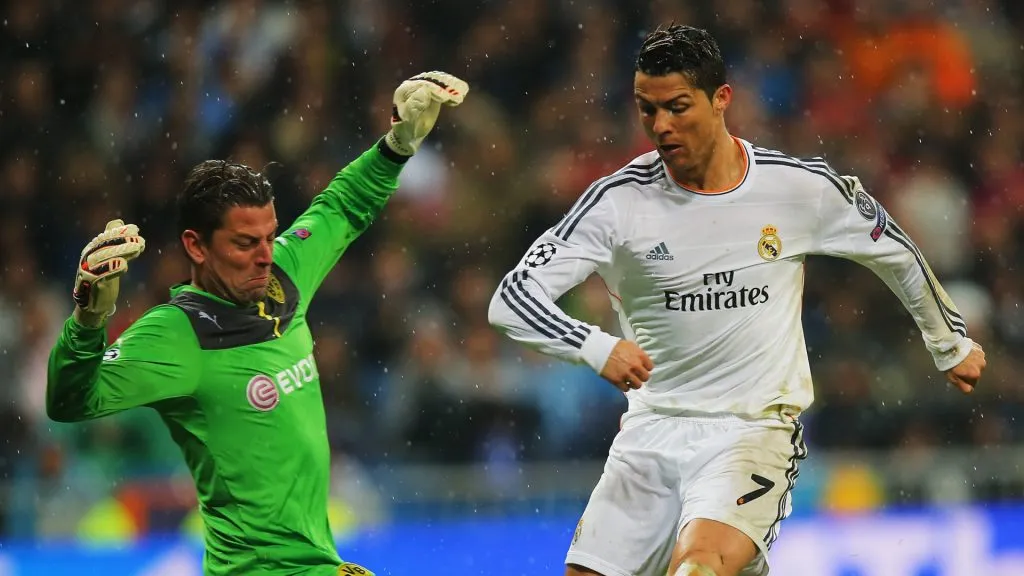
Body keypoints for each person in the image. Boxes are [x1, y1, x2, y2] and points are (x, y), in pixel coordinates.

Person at [488, 24, 985, 576]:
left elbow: (891, 248)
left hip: (752, 429)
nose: (661, 126)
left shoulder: (795, 188)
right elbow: (511, 299)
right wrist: (594, 345)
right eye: (646, 109)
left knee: (698, 568)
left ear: (722, 99)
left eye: (678, 107)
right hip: (650, 430)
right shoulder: (616, 203)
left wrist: (949, 341)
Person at [47, 71, 468, 576]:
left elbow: (343, 205)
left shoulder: (285, 274)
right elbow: (69, 401)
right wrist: (90, 318)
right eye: (245, 244)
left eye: (270, 236)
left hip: (314, 565)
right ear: (196, 246)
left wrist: (398, 143)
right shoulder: (175, 335)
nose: (266, 256)